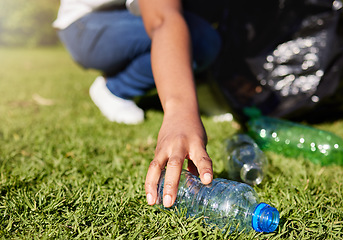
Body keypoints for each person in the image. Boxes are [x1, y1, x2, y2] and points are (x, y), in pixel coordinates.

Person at [53, 0, 220, 208]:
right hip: (84, 25)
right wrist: (181, 111)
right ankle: (116, 88)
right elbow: (162, 19)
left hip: (127, 17)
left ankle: (200, 87)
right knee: (200, 39)